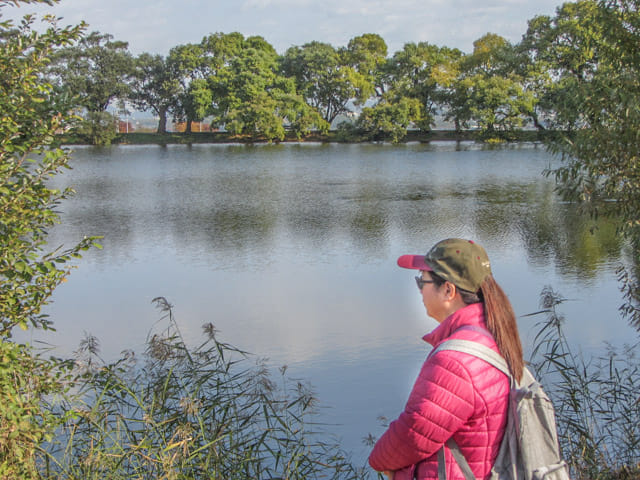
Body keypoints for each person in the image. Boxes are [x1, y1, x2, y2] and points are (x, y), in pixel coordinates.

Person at [368, 238, 524, 480]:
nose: (419, 289)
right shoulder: (490, 336)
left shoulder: (455, 361)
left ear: (448, 291)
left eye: (423, 281)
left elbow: (414, 432)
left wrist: (378, 460)